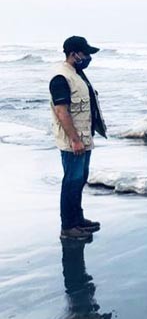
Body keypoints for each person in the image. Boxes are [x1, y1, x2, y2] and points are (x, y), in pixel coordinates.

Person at [50, 36, 108, 241]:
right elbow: (62, 112)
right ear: (74, 53)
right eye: (85, 53)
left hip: (84, 138)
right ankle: (68, 227)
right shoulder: (61, 78)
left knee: (80, 179)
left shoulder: (77, 74)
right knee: (71, 182)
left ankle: (78, 220)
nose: (88, 57)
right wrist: (74, 139)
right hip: (73, 141)